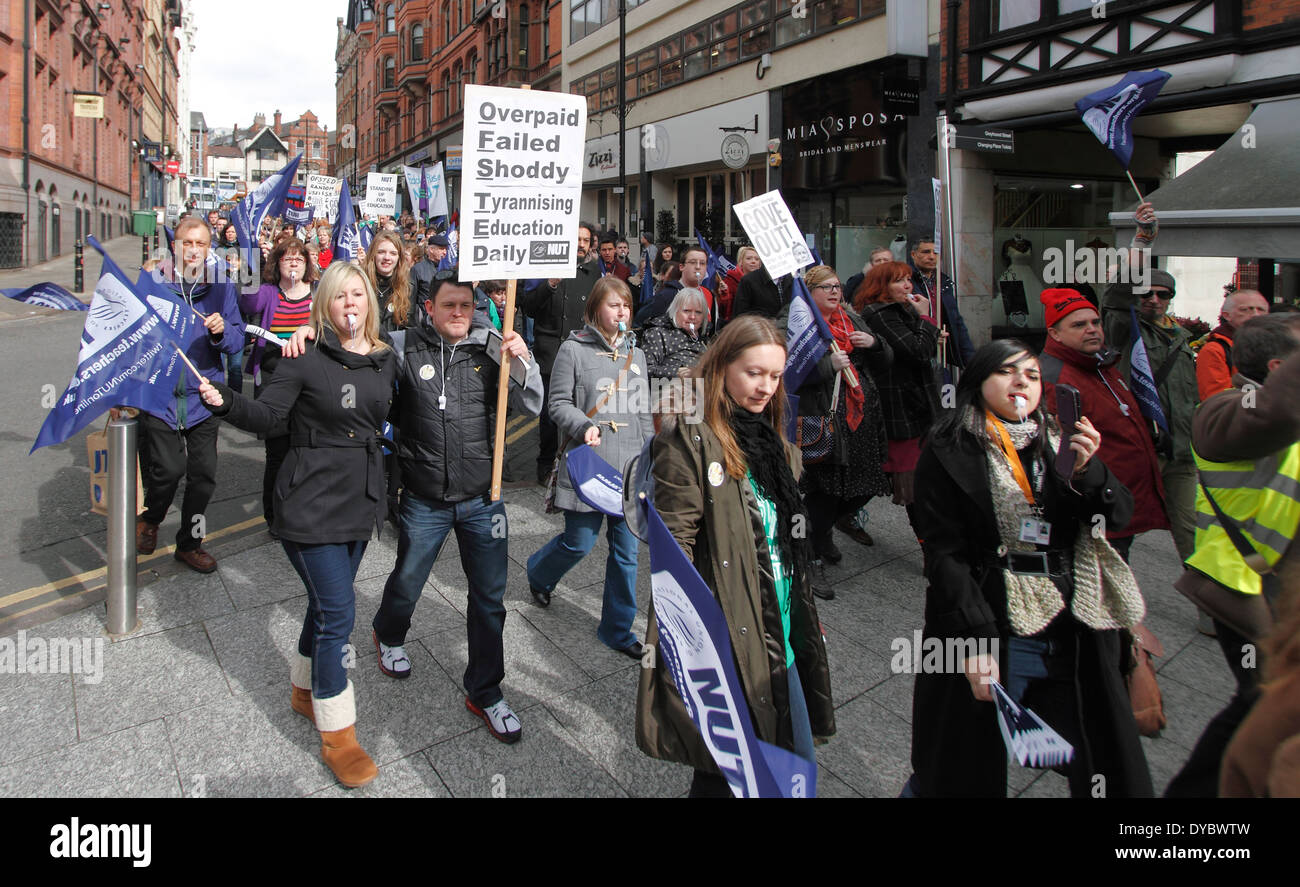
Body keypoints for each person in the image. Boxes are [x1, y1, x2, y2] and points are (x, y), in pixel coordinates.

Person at [906, 338, 1151, 798]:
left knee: (1097, 749)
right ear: (979, 383)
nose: (1022, 382)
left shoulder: (1060, 441)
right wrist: (974, 644)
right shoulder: (948, 447)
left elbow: (1116, 517)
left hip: (1074, 618)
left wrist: (1088, 472)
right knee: (962, 757)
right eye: (1007, 372)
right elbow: (945, 555)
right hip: (995, 618)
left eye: (1033, 375)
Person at [197, 261, 395, 789]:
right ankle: (339, 735)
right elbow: (268, 417)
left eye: (358, 295)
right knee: (338, 610)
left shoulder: (385, 359)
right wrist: (226, 401)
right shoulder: (301, 356)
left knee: (323, 604)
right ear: (324, 307)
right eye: (339, 297)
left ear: (369, 304)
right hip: (308, 503)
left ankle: (304, 692)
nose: (350, 303)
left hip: (361, 501)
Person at [637, 315, 835, 797]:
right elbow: (675, 550)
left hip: (781, 631)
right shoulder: (689, 439)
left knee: (782, 769)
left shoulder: (777, 447)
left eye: (774, 375)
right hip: (731, 642)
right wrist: (692, 648)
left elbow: (786, 542)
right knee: (735, 773)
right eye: (753, 372)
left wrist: (800, 606)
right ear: (722, 366)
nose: (765, 386)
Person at [364, 271, 543, 744]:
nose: (459, 313)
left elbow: (533, 405)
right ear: (431, 308)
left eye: (467, 305)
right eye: (450, 305)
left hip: (485, 500)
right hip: (424, 498)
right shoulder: (403, 347)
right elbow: (360, 371)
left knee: (489, 599)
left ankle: (485, 691)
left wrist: (522, 362)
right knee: (407, 580)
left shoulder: (492, 347)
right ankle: (388, 630)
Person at [1169, 313, 1300, 797]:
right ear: (1278, 365)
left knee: (1261, 703)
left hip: (1277, 589)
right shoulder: (1225, 409)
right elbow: (1278, 414)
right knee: (1264, 703)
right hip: (1245, 589)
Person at [527, 277, 653, 658]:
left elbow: (643, 412)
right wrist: (584, 426)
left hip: (629, 468)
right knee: (579, 543)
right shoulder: (573, 349)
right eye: (614, 305)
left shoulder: (638, 354)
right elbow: (557, 404)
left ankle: (617, 629)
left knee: (626, 553)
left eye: (626, 306)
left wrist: (650, 458)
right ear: (596, 308)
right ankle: (539, 572)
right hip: (590, 465)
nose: (622, 312)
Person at [134, 217, 244, 573]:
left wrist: (221, 330)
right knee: (168, 470)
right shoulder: (153, 283)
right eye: (187, 243)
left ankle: (189, 543)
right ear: (174, 246)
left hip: (202, 396)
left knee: (204, 476)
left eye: (200, 244)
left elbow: (237, 339)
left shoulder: (221, 286)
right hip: (161, 397)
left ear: (209, 248)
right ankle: (151, 518)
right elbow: (132, 336)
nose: (194, 250)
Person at [781, 265, 892, 596]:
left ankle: (823, 530)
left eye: (837, 286)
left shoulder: (851, 318)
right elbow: (789, 370)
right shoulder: (797, 321)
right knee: (825, 492)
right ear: (809, 291)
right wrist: (829, 365)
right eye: (826, 287)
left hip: (861, 420)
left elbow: (887, 358)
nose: (834, 292)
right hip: (824, 419)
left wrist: (873, 344)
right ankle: (808, 556)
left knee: (866, 484)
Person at [1037, 288, 1168, 562]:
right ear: (1055, 333)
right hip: (1094, 506)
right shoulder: (1054, 378)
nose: (1092, 330)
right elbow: (1058, 456)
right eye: (1079, 325)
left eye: (1095, 322)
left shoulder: (1101, 364)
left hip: (1118, 501)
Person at [1102, 261, 1199, 566]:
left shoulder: (1183, 338)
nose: (1154, 299)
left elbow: (1188, 396)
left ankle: (1213, 610)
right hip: (1143, 450)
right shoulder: (1124, 331)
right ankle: (1114, 601)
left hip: (1180, 453)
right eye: (1146, 293)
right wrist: (1141, 245)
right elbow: (1116, 299)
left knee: (1193, 537)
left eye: (1163, 294)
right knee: (1122, 530)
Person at [853, 261, 941, 535]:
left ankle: (839, 513)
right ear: (882, 286)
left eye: (908, 279)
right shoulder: (881, 313)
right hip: (900, 402)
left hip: (913, 400)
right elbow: (918, 349)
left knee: (893, 472)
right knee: (907, 477)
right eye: (899, 281)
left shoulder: (902, 310)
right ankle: (929, 545)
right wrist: (927, 320)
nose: (908, 286)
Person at [239, 237, 317, 527]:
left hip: (309, 377)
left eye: (299, 258)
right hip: (273, 377)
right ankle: (273, 515)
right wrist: (249, 266)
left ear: (307, 263)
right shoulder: (269, 292)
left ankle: (302, 507)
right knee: (277, 450)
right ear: (277, 263)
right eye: (287, 258)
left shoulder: (316, 292)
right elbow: (247, 301)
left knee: (307, 445)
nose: (294, 262)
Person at [521, 221, 600, 484]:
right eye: (576, 238)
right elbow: (529, 307)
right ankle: (545, 466)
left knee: (580, 411)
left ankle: (576, 466)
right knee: (548, 417)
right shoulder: (545, 268)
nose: (580, 244)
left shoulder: (593, 273)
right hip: (549, 355)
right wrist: (551, 283)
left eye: (585, 240)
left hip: (581, 355)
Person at [909, 238, 975, 369]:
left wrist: (970, 360)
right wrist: (930, 334)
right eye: (926, 252)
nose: (932, 257)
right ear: (913, 254)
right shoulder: (906, 281)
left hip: (944, 349)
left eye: (936, 252)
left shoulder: (943, 281)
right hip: (917, 347)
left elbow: (956, 320)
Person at [1197, 289, 1270, 400]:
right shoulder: (1215, 350)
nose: (1256, 315)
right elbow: (1218, 400)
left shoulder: (1272, 345)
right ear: (1227, 315)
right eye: (1246, 309)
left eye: (1261, 309)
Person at [641, 287, 710, 381]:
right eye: (687, 311)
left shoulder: (707, 339)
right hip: (668, 391)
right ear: (675, 310)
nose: (692, 317)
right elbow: (644, 370)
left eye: (698, 312)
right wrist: (677, 372)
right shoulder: (659, 333)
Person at [363, 230, 417, 333]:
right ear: (373, 254)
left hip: (393, 346)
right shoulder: (360, 283)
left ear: (399, 258)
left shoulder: (407, 287)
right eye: (381, 252)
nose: (387, 258)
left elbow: (409, 326)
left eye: (393, 253)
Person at [842, 247, 895, 312]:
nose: (882, 263)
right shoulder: (859, 281)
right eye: (878, 261)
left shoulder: (900, 279)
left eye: (886, 260)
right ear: (871, 264)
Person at [718, 245, 760, 325]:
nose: (753, 261)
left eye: (757, 259)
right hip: (736, 326)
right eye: (749, 258)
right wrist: (725, 294)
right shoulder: (730, 281)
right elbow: (724, 310)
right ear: (741, 262)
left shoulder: (764, 282)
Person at [410, 232, 449, 305]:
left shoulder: (448, 269)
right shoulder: (418, 269)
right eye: (441, 249)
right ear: (431, 249)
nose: (444, 252)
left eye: (445, 249)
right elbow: (411, 298)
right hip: (425, 313)